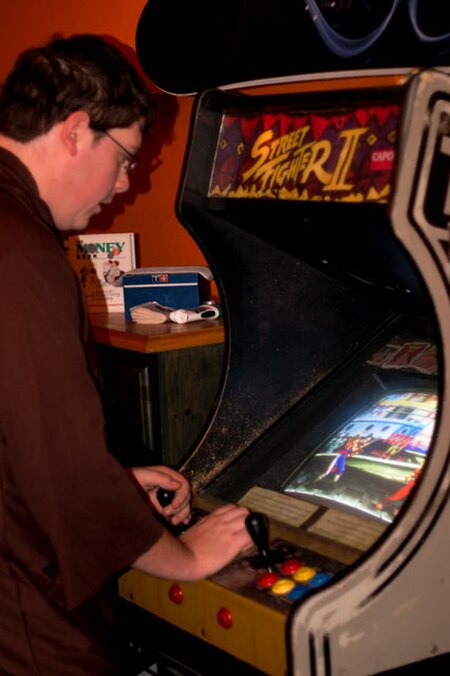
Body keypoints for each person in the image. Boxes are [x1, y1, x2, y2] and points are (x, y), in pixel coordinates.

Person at [0, 34, 252, 675]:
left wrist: (113, 486)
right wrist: (186, 555)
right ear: (76, 130)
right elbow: (63, 465)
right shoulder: (20, 252)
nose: (125, 183)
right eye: (126, 157)